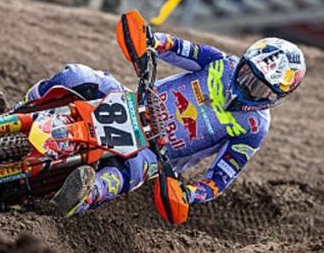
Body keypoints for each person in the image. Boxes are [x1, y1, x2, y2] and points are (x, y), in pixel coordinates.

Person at [27, 27, 306, 221]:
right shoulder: (222, 64)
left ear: (275, 98)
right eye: (248, 74)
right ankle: (23, 110)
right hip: (132, 103)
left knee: (118, 178)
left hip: (154, 153)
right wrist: (150, 41)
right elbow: (177, 47)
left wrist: (188, 194)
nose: (246, 87)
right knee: (78, 75)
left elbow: (219, 180)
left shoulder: (254, 128)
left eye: (260, 88)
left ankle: (72, 201)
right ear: (244, 61)